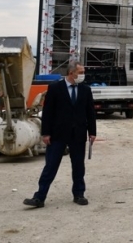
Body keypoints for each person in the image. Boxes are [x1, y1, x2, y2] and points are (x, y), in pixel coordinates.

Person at [23, 61, 97, 208]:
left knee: (78, 166)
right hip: (58, 134)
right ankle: (39, 197)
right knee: (50, 166)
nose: (83, 75)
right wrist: (46, 133)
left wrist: (92, 132)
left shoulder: (85, 90)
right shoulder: (55, 88)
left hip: (78, 134)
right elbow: (48, 112)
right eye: (81, 72)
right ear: (71, 73)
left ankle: (79, 194)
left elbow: (90, 112)